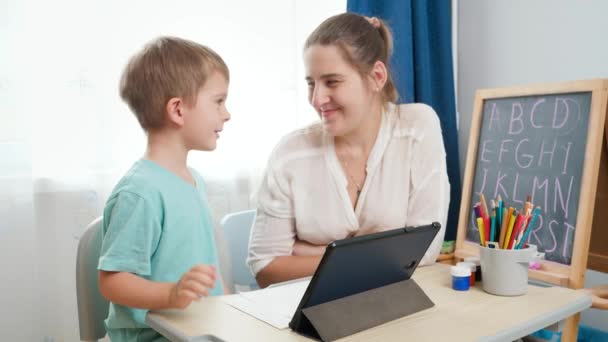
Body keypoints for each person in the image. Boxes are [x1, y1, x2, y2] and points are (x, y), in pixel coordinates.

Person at [247, 13, 450, 288]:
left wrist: (310, 252)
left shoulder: (416, 127)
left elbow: (424, 251)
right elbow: (265, 268)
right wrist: (378, 255)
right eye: (311, 83)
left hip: (391, 300)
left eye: (332, 82)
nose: (317, 99)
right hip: (301, 308)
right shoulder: (290, 153)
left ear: (376, 77)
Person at [98, 36, 231, 341]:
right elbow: (112, 281)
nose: (227, 114)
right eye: (219, 101)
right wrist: (171, 294)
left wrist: (225, 308)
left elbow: (204, 267)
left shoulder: (194, 180)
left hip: (197, 331)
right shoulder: (141, 192)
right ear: (178, 110)